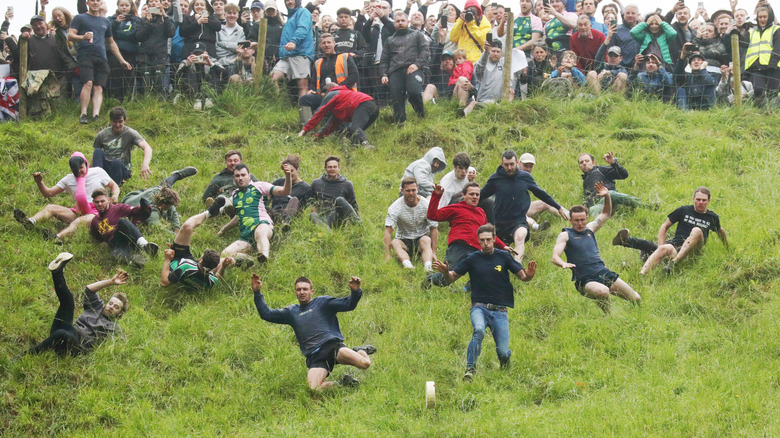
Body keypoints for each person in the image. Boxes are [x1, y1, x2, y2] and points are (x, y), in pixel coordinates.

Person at [433, 224, 536, 380]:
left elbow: (523, 276)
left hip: (500, 311)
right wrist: (446, 272)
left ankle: (505, 364)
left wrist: (529, 274)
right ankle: (470, 369)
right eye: (482, 240)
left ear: (494, 239)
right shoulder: (472, 258)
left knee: (503, 352)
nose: (486, 243)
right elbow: (452, 277)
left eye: (488, 239)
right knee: (479, 330)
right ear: (478, 241)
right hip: (479, 308)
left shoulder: (504, 256)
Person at [252, 274, 375, 390]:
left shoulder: (323, 302)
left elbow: (348, 304)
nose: (302, 292)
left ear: (312, 291)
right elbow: (266, 314)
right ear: (295, 292)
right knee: (314, 388)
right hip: (315, 357)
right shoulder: (291, 312)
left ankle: (361, 351)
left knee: (365, 364)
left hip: (332, 348)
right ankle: (343, 383)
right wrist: (257, 292)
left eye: (305, 289)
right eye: (298, 289)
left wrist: (355, 292)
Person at [552, 183, 641, 314]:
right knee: (602, 291)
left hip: (603, 272)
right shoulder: (565, 235)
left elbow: (606, 213)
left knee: (636, 298)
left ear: (587, 218)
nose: (580, 223)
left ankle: (639, 317)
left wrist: (607, 196)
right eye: (576, 220)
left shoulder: (590, 229)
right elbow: (555, 257)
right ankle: (610, 317)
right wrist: (563, 263)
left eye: (582, 219)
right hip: (585, 280)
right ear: (570, 220)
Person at [26, 253, 129, 357]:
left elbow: (122, 347)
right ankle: (57, 271)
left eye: (116, 307)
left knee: (62, 333)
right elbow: (89, 289)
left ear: (120, 314)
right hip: (70, 330)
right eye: (110, 303)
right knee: (68, 301)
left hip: (76, 347)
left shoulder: (115, 328)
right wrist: (111, 282)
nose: (111, 307)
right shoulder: (97, 307)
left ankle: (27, 355)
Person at [613, 186, 727, 276]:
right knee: (660, 247)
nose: (700, 202)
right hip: (675, 247)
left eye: (704, 200)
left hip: (693, 251)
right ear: (693, 199)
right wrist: (660, 247)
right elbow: (664, 226)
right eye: (698, 199)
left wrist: (727, 249)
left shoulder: (712, 217)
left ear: (709, 200)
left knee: (696, 230)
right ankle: (640, 270)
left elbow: (720, 231)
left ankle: (674, 263)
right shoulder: (684, 210)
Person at [481, 150, 567, 263]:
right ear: (502, 164)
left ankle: (518, 268)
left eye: (512, 164)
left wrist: (558, 207)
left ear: (516, 163)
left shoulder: (525, 177)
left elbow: (541, 193)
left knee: (520, 237)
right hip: (500, 222)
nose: (509, 167)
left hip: (518, 220)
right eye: (506, 165)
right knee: (497, 255)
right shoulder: (495, 179)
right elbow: (481, 196)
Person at [424, 182, 515, 288]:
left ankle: (465, 290)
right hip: (459, 247)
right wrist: (436, 195)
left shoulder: (481, 212)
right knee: (447, 276)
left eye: (477, 195)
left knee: (485, 272)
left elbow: (488, 232)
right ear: (463, 195)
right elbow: (432, 215)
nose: (475, 197)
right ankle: (429, 280)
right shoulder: (456, 208)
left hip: (476, 249)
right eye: (471, 194)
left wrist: (503, 246)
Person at [14, 152, 120, 243]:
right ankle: (30, 222)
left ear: (86, 164)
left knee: (78, 221)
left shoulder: (97, 172)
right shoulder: (68, 179)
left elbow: (114, 186)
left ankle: (57, 237)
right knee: (50, 207)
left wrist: (115, 195)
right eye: (75, 170)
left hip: (98, 212)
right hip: (78, 210)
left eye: (81, 168)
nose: (79, 171)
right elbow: (49, 193)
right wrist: (39, 182)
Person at [69, 0, 133, 124]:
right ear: (87, 2)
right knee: (88, 83)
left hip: (102, 57)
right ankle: (83, 114)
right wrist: (82, 37)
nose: (95, 3)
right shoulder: (80, 18)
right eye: (93, 0)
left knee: (99, 87)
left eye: (98, 0)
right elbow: (70, 36)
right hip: (86, 55)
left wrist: (122, 60)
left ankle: (96, 115)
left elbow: (111, 42)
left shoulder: (105, 22)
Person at [218, 163, 292, 265]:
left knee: (260, 233)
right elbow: (238, 217)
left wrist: (288, 176)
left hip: (262, 224)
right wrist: (223, 229)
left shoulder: (259, 186)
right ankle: (249, 260)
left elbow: (285, 191)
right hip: (246, 236)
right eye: (237, 176)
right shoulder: (235, 194)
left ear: (249, 175)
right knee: (225, 254)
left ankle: (264, 255)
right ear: (234, 178)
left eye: (243, 175)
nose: (240, 178)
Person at [160, 197, 235, 289]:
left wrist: (167, 259)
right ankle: (236, 261)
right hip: (194, 265)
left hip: (177, 258)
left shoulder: (186, 267)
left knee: (187, 227)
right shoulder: (210, 281)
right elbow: (218, 280)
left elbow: (164, 283)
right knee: (224, 260)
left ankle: (209, 213)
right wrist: (223, 267)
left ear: (201, 260)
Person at [298, 33, 359, 125]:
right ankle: (307, 126)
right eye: (324, 43)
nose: (326, 45)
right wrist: (312, 90)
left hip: (342, 95)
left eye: (329, 42)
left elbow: (354, 76)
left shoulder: (345, 57)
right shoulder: (318, 62)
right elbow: (314, 81)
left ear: (334, 43)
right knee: (304, 99)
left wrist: (338, 87)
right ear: (320, 45)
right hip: (323, 96)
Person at [380, 10, 429, 125]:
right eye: (397, 21)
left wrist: (417, 64)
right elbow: (384, 60)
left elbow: (425, 51)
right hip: (395, 71)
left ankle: (421, 116)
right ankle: (401, 124)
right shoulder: (389, 40)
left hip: (413, 68)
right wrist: (384, 74)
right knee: (397, 98)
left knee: (414, 92)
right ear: (394, 23)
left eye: (403, 20)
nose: (400, 23)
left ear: (408, 22)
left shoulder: (417, 34)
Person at [89, 188, 158, 265]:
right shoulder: (95, 221)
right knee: (116, 255)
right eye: (97, 202)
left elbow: (136, 212)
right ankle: (135, 262)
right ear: (93, 203)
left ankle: (145, 246)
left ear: (108, 200)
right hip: (117, 244)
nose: (100, 204)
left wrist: (144, 207)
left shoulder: (118, 208)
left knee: (122, 221)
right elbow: (96, 238)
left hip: (129, 237)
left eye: (102, 201)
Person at [121, 166, 197, 234]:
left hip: (144, 193)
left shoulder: (161, 193)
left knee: (164, 186)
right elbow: (158, 228)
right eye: (168, 206)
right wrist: (176, 235)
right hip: (131, 198)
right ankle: (176, 175)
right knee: (164, 186)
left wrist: (177, 228)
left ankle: (177, 175)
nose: (171, 208)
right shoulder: (150, 210)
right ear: (163, 205)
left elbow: (173, 214)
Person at [298, 84, 379, 148]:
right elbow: (330, 125)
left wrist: (305, 130)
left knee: (355, 128)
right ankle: (357, 149)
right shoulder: (343, 100)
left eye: (323, 97)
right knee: (352, 134)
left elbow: (320, 112)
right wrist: (318, 137)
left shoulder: (333, 93)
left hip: (364, 104)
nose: (324, 100)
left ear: (327, 93)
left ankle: (366, 145)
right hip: (374, 107)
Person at [385, 177, 438, 271]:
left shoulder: (426, 205)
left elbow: (433, 228)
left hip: (421, 238)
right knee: (395, 242)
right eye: (408, 190)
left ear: (417, 189)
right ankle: (408, 266)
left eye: (413, 190)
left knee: (426, 240)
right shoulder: (395, 207)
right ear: (402, 191)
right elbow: (388, 231)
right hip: (404, 239)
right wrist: (387, 254)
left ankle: (428, 268)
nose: (411, 193)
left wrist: (434, 251)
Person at [91, 106, 153, 186]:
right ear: (110, 121)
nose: (117, 125)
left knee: (116, 162)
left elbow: (147, 147)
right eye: (114, 122)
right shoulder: (102, 134)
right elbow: (95, 157)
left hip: (122, 169)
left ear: (125, 121)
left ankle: (115, 189)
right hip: (107, 166)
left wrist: (145, 164)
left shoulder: (130, 133)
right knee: (97, 151)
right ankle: (96, 183)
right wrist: (89, 173)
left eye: (120, 122)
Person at [269, 0, 314, 97]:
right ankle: (276, 107)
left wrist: (294, 41)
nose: (289, 2)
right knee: (272, 78)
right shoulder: (290, 17)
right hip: (286, 56)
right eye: (287, 0)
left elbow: (303, 28)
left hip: (301, 54)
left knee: (302, 86)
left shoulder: (303, 12)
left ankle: (304, 111)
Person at [457, 40, 511, 117]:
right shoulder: (481, 64)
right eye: (493, 51)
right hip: (482, 100)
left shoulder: (505, 65)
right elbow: (481, 66)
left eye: (498, 52)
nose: (495, 54)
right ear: (489, 51)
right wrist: (486, 52)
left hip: (499, 102)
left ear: (501, 53)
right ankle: (463, 115)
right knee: (473, 103)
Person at [309, 155, 360, 229]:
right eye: (330, 167)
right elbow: (312, 202)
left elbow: (353, 204)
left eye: (335, 167)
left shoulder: (347, 184)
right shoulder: (316, 183)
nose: (332, 169)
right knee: (312, 215)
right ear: (325, 168)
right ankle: (328, 232)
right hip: (323, 217)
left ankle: (359, 226)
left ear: (339, 168)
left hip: (339, 217)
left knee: (340, 199)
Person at [744, 5, 780, 107]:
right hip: (756, 66)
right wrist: (733, 32)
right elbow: (741, 42)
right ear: (757, 18)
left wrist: (772, 64)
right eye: (760, 17)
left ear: (770, 17)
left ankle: (773, 113)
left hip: (773, 66)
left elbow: (778, 48)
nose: (762, 19)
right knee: (758, 89)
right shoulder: (751, 32)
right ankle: (760, 111)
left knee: (772, 92)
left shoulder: (776, 29)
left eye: (765, 17)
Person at [268, 154, 311, 228]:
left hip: (291, 215)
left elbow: (310, 207)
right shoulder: (279, 182)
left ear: (297, 170)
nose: (289, 173)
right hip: (275, 213)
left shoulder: (305, 187)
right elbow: (267, 198)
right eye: (287, 171)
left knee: (294, 200)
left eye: (292, 171)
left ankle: (286, 223)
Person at [675, 46, 716, 111]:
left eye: (699, 60)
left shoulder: (710, 75)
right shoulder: (686, 76)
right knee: (680, 89)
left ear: (704, 63)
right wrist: (682, 57)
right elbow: (677, 76)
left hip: (704, 106)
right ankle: (683, 112)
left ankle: (710, 111)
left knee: (710, 87)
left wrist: (703, 69)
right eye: (693, 60)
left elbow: (711, 82)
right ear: (690, 65)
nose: (696, 62)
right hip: (689, 105)